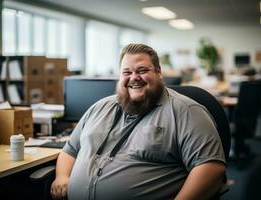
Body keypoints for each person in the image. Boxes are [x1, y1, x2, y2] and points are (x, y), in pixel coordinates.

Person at [50, 43, 226, 200]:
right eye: (127, 72)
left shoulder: (186, 111)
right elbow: (70, 150)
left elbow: (211, 167)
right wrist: (62, 176)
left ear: (159, 72)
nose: (134, 77)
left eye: (142, 70)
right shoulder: (99, 108)